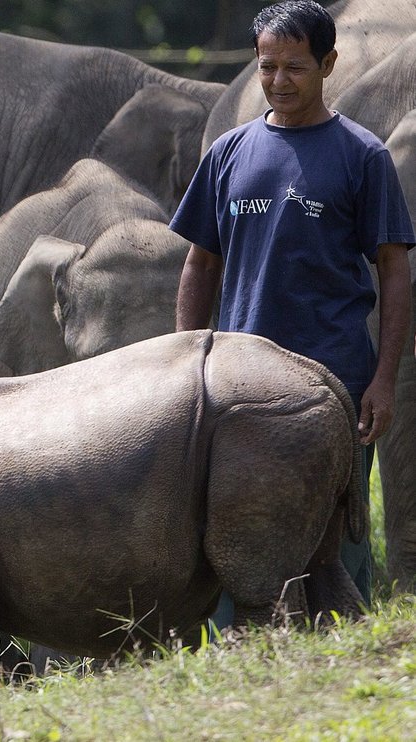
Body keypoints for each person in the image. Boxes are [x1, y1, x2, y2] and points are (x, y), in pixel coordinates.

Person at [171, 0, 414, 620]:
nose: (278, 82)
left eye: (295, 68)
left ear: (329, 64)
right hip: (239, 385)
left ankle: (338, 649)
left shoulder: (362, 157)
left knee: (340, 536)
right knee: (236, 528)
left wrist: (382, 380)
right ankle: (239, 658)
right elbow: (200, 265)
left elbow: (392, 269)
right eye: (268, 67)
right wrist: (182, 370)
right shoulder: (228, 154)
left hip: (335, 381)